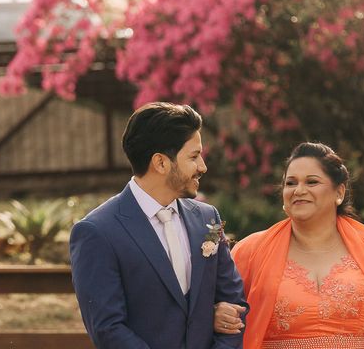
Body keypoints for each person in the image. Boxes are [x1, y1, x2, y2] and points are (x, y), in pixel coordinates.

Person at [69, 102, 247, 349]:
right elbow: (108, 329)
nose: (203, 167)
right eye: (194, 157)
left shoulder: (209, 219)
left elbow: (235, 303)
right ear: (161, 163)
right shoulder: (97, 232)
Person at [214, 142, 364, 349]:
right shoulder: (251, 251)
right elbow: (214, 309)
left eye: (312, 182)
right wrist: (216, 313)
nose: (299, 190)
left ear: (339, 192)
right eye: (291, 183)